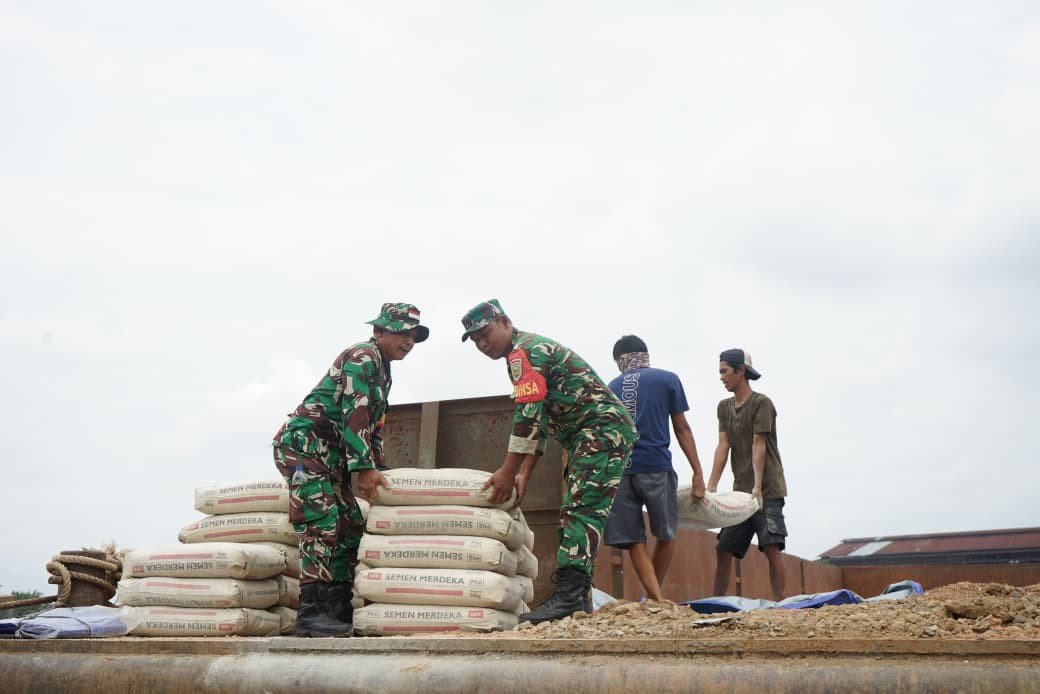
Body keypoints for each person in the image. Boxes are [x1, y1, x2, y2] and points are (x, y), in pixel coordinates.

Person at [461, 299, 636, 624]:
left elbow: (527, 416)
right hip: (591, 433)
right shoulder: (521, 354)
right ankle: (578, 598)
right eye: (475, 341)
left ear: (505, 322)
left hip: (600, 430)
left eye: (485, 334)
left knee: (581, 509)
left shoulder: (525, 352)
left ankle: (570, 597)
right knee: (580, 508)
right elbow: (539, 419)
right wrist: (524, 473)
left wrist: (507, 472)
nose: (482, 344)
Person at [271, 303, 429, 636]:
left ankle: (337, 608)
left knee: (351, 525)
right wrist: (364, 468)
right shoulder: (363, 356)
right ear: (379, 332)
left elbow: (373, 427)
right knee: (322, 521)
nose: (408, 341)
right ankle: (310, 615)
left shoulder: (384, 369)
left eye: (413, 335)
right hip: (303, 450)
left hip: (330, 459)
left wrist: (377, 467)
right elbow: (354, 413)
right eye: (401, 333)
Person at [604, 335, 705, 601]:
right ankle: (654, 599)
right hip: (657, 466)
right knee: (666, 534)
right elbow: (682, 428)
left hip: (621, 471)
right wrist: (697, 471)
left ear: (619, 361)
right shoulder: (667, 379)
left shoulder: (611, 387)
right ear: (645, 354)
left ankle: (655, 598)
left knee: (634, 540)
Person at [706, 348, 788, 602]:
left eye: (725, 371)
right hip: (740, 493)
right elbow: (723, 445)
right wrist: (711, 486)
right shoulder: (724, 407)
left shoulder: (761, 403)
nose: (721, 377)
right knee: (724, 548)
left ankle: (780, 603)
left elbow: (758, 444)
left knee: (771, 546)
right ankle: (715, 602)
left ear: (741, 371)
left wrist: (757, 489)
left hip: (767, 490)